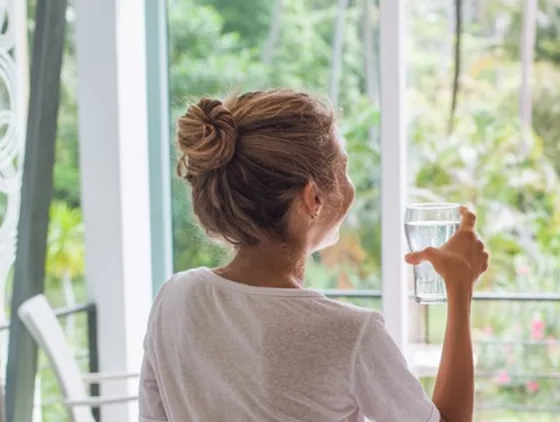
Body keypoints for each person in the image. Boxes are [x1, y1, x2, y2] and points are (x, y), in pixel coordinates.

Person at [138, 89, 490, 422]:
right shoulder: (348, 333)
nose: (350, 187)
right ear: (313, 198)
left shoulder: (175, 298)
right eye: (343, 171)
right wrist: (460, 289)